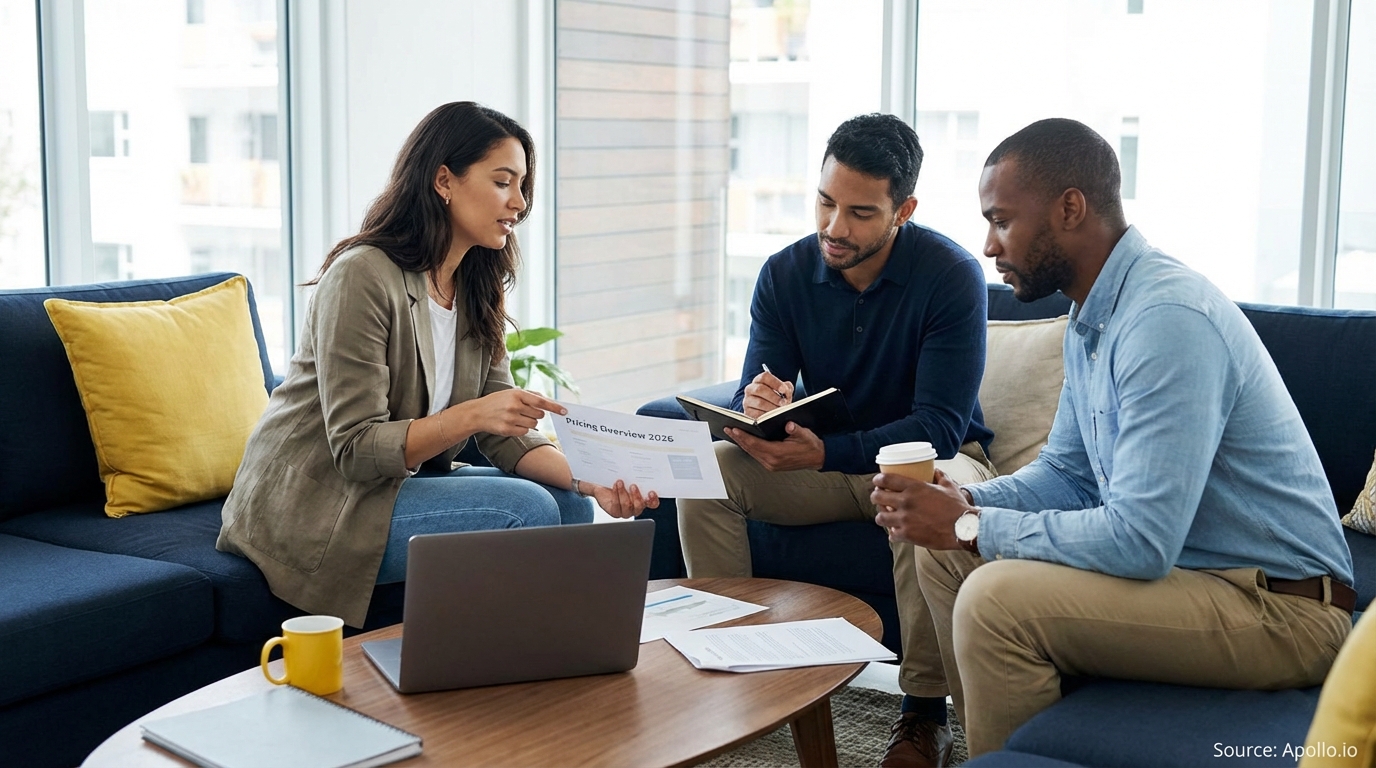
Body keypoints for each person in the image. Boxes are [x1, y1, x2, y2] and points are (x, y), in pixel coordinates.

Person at [872, 118, 1355, 760]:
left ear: (1070, 208)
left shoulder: (1166, 321)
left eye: (1002, 220)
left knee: (995, 597)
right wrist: (958, 505)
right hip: (1199, 580)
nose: (988, 246)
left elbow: (1141, 539)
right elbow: (1069, 477)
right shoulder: (1091, 316)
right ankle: (1000, 755)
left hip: (1281, 608)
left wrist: (972, 525)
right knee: (940, 551)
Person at [218, 102, 657, 628]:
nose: (519, 203)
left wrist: (593, 481)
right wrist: (473, 416)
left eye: (522, 186)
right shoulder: (362, 275)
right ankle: (511, 675)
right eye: (503, 182)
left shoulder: (475, 286)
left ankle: (542, 667)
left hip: (390, 487)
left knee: (569, 505)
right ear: (444, 180)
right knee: (528, 511)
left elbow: (506, 435)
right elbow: (356, 449)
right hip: (320, 503)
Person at [676, 113, 996, 768]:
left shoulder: (950, 276)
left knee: (918, 485)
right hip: (827, 465)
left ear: (903, 209)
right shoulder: (784, 273)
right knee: (710, 470)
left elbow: (937, 427)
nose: (834, 228)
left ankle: (923, 715)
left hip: (930, 461)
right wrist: (756, 408)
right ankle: (734, 665)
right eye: (825, 202)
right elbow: (754, 390)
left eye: (859, 213)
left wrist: (824, 451)